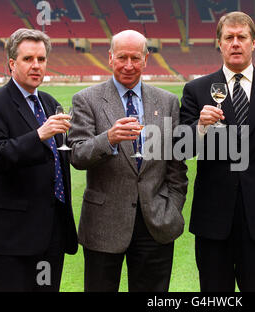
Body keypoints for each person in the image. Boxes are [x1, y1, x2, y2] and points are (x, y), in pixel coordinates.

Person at [179, 12, 255, 292]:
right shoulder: (197, 89)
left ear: (253, 43)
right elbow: (179, 149)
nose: (235, 43)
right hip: (213, 214)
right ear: (219, 44)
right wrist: (200, 127)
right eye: (228, 38)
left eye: (241, 37)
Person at [68, 30, 188, 292]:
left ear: (146, 59)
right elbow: (76, 154)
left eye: (136, 58)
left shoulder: (167, 102)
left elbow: (176, 165)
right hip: (104, 224)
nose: (129, 65)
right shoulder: (86, 100)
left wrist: (173, 207)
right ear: (110, 58)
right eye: (122, 57)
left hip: (156, 222)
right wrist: (108, 139)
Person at [0, 28, 78, 292]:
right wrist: (39, 135)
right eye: (28, 59)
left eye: (41, 60)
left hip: (51, 232)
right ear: (12, 63)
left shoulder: (48, 101)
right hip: (14, 237)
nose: (36, 66)